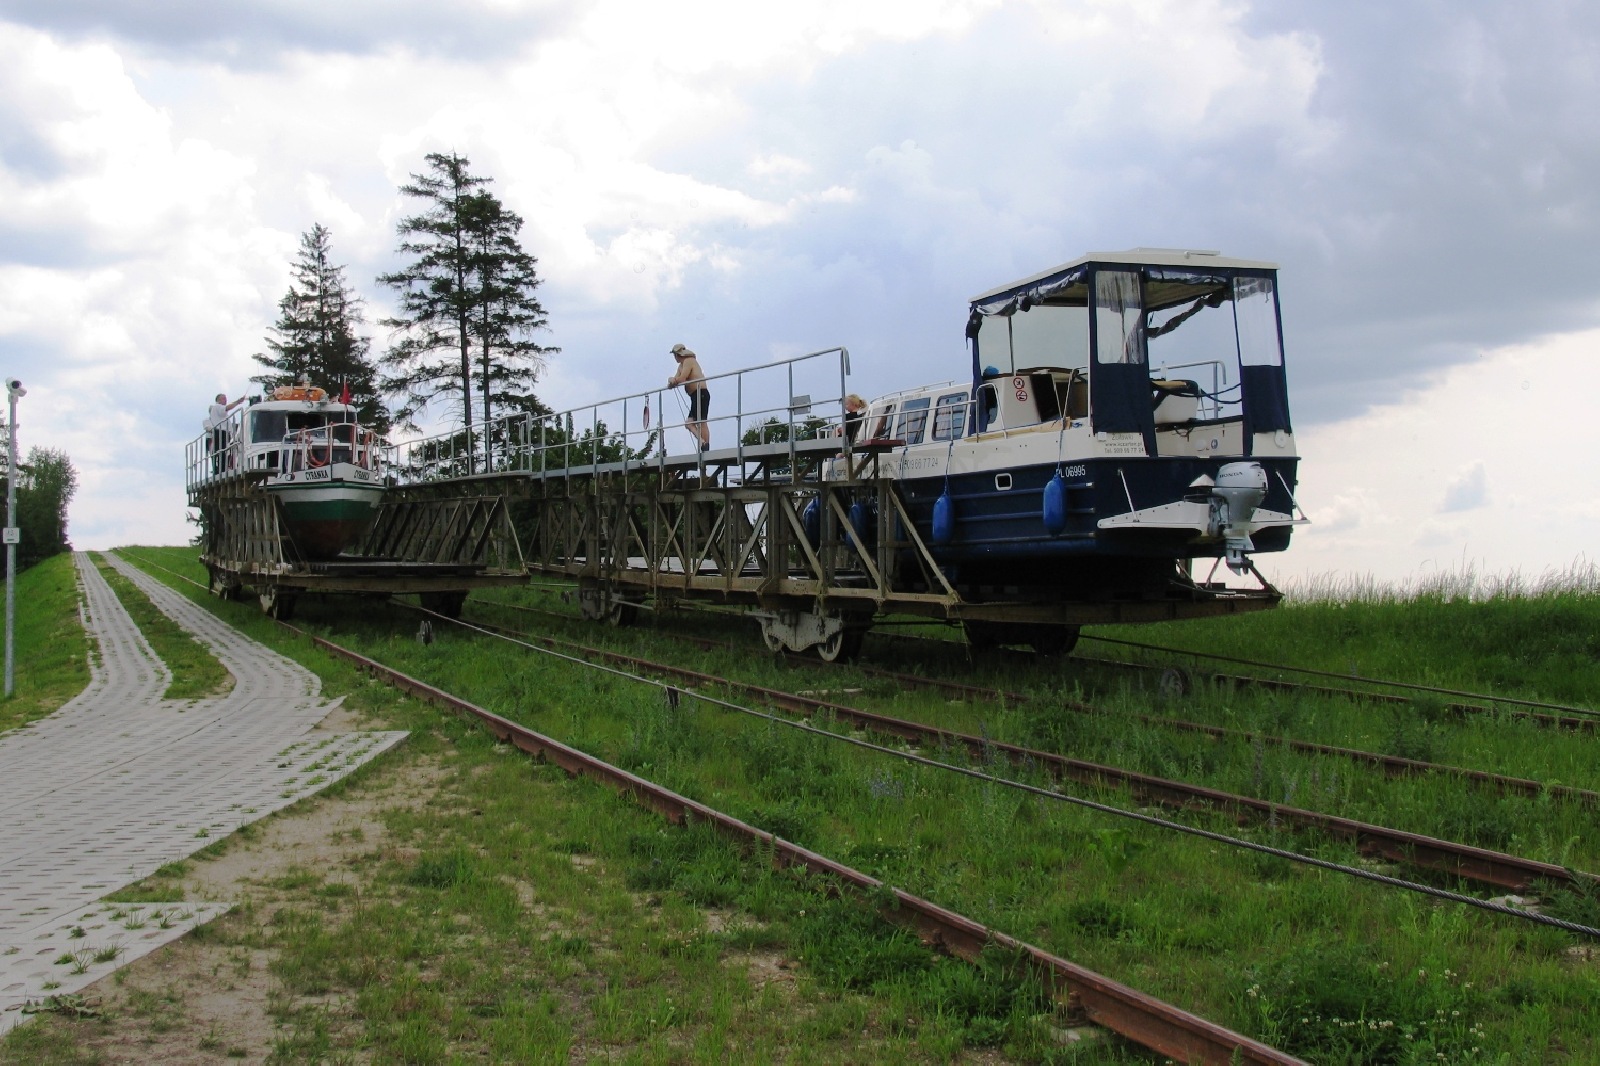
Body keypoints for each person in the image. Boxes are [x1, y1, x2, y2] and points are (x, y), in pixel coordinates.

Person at [667, 343, 711, 451]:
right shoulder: (681, 366)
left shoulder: (689, 361)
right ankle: (703, 443)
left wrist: (673, 380)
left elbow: (681, 379)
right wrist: (671, 380)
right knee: (692, 423)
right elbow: (675, 380)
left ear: (678, 354)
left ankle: (705, 445)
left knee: (698, 421)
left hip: (701, 393)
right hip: (695, 395)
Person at [204, 393, 244, 474]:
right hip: (220, 432)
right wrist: (238, 402)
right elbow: (227, 407)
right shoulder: (217, 407)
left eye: (226, 398)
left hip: (221, 432)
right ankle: (221, 470)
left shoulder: (218, 408)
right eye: (223, 398)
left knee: (221, 452)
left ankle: (221, 469)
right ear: (218, 400)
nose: (225, 400)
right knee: (222, 452)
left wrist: (237, 401)